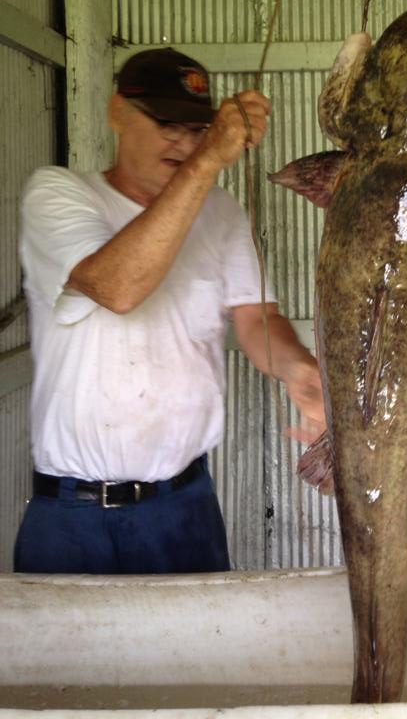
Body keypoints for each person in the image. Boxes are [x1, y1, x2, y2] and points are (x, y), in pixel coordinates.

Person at [14, 47, 325, 575]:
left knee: (195, 658)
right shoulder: (59, 194)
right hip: (71, 516)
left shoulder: (221, 212)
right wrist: (209, 161)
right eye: (165, 122)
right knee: (63, 661)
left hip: (183, 507)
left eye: (197, 128)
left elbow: (257, 318)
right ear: (118, 111)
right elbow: (118, 287)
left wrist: (297, 368)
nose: (182, 141)